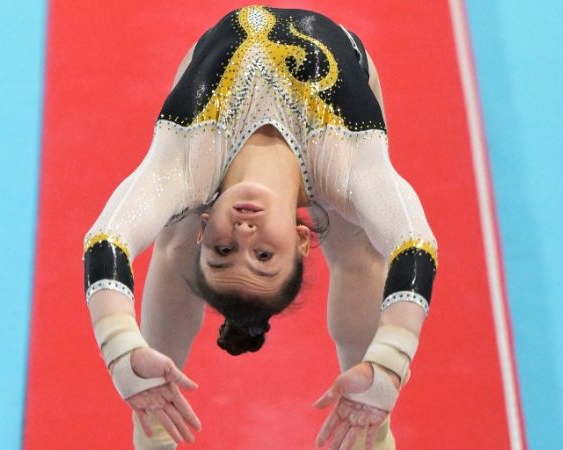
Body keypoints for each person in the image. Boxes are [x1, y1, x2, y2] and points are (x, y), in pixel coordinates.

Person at [83, 6, 437, 450]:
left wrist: (121, 350)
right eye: (264, 258)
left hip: (205, 93)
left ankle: (150, 428)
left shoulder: (187, 163)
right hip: (348, 74)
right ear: (303, 239)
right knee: (359, 251)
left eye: (223, 251)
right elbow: (415, 244)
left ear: (206, 230)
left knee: (174, 244)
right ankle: (372, 431)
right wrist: (389, 362)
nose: (244, 234)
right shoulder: (346, 166)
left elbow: (105, 241)